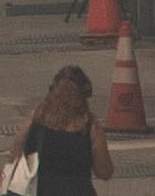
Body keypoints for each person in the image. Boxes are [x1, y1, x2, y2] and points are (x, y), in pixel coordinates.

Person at [18, 65, 113, 196]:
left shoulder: (36, 119)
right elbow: (104, 171)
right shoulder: (90, 126)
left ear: (52, 90)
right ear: (83, 94)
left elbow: (16, 160)